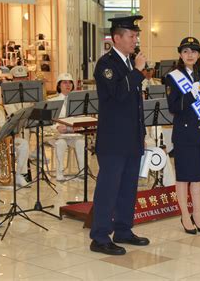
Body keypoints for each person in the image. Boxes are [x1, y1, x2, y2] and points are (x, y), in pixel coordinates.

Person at [90, 15, 149, 256]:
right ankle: (100, 236)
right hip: (113, 139)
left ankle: (123, 229)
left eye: (136, 36)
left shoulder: (128, 62)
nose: (135, 40)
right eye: (131, 36)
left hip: (131, 137)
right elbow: (118, 94)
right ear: (117, 38)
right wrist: (137, 72)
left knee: (128, 187)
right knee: (109, 187)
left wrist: (141, 133)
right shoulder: (106, 64)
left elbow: (135, 104)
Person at [165, 37, 200, 234]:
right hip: (184, 134)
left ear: (199, 55)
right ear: (180, 54)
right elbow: (173, 107)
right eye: (186, 51)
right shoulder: (173, 77)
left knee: (199, 177)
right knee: (184, 177)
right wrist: (191, 94)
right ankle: (185, 215)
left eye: (194, 52)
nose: (190, 55)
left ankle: (197, 213)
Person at [48, 73, 84, 182]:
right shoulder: (52, 101)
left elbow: (81, 118)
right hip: (57, 136)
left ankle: (82, 172)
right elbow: (48, 122)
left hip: (73, 134)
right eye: (64, 82)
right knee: (61, 143)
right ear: (59, 85)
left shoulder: (78, 100)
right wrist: (57, 127)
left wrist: (79, 126)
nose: (67, 85)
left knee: (81, 142)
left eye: (70, 82)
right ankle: (59, 173)